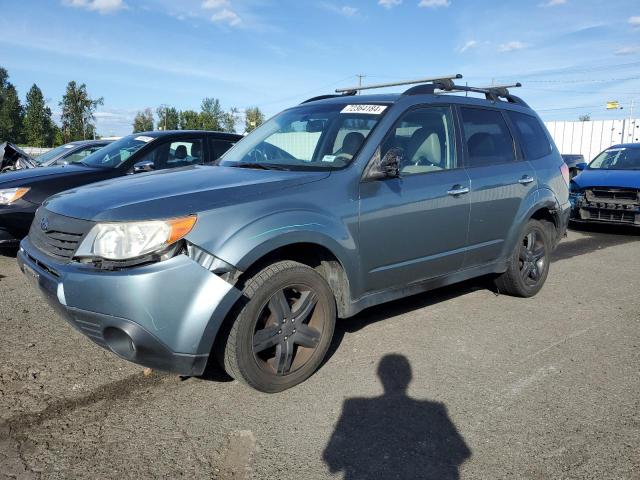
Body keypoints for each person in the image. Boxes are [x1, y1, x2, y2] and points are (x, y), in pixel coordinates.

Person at [323, 354, 471, 479]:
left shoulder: (353, 407)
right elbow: (461, 453)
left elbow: (332, 459)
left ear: (379, 376)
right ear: (410, 377)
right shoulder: (434, 410)